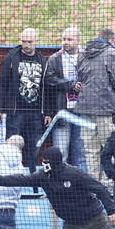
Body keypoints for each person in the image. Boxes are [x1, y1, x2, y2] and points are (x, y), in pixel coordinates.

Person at [73, 28, 115, 184]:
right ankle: (109, 182)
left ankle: (94, 182)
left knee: (90, 149)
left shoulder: (82, 54)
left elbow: (80, 77)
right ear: (111, 40)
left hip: (85, 107)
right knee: (109, 146)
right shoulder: (112, 53)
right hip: (105, 107)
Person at [0, 27, 47, 172]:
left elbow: (46, 88)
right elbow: (1, 83)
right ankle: (11, 176)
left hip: (36, 113)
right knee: (12, 147)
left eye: (30, 42)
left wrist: (47, 112)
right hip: (16, 112)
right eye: (24, 41)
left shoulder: (42, 60)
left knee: (34, 147)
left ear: (37, 41)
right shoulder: (11, 57)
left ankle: (33, 181)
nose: (26, 45)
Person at [44, 27, 84, 166]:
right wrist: (70, 85)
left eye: (69, 39)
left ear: (78, 41)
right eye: (64, 39)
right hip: (62, 110)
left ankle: (78, 183)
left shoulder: (86, 57)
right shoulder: (55, 58)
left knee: (81, 151)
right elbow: (49, 80)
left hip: (82, 111)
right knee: (60, 151)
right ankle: (60, 183)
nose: (65, 42)